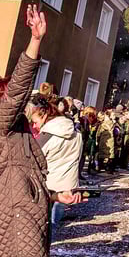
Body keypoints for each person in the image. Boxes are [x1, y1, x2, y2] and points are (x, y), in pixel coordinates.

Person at [0, 5, 81, 257]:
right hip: (14, 222)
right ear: (3, 100)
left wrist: (54, 195)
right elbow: (18, 89)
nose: (28, 103)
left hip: (22, 219)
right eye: (19, 101)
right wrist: (35, 41)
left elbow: (20, 178)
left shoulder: (15, 131)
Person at [27, 95, 82, 242]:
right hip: (66, 186)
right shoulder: (77, 134)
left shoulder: (47, 137)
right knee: (52, 226)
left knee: (38, 230)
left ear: (44, 115)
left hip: (46, 187)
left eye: (35, 121)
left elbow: (32, 162)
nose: (34, 126)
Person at [79, 106, 99, 177]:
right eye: (92, 115)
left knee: (83, 158)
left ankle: (79, 174)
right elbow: (83, 132)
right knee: (80, 158)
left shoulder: (87, 121)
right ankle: (78, 174)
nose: (93, 118)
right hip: (82, 142)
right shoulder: (83, 120)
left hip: (85, 142)